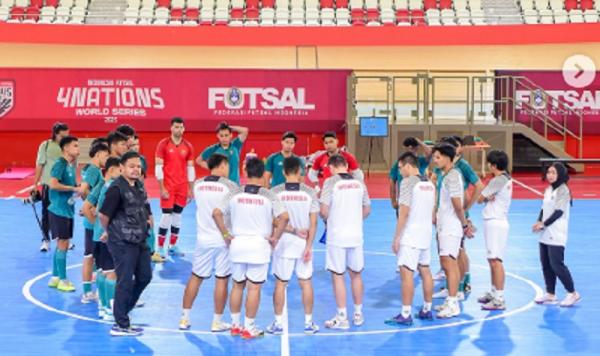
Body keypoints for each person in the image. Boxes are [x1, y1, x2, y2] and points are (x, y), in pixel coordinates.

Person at [212, 158, 289, 339]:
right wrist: (275, 238)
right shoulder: (269, 195)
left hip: (237, 245)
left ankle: (235, 325)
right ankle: (249, 327)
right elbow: (284, 217)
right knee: (254, 288)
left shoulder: (234, 193)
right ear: (263, 174)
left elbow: (216, 213)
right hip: (259, 247)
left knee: (237, 286)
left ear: (245, 172)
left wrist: (225, 234)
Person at [179, 154, 238, 332]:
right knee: (222, 279)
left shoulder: (198, 184)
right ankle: (217, 322)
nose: (228, 170)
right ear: (222, 165)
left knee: (196, 276)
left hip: (202, 239)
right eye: (227, 166)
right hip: (223, 239)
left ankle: (184, 319)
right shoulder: (230, 186)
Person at [99, 151, 153, 337]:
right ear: (121, 167)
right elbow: (103, 215)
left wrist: (148, 218)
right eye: (132, 166)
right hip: (122, 241)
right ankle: (121, 324)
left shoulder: (139, 185)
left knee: (145, 276)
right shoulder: (116, 189)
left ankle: (121, 311)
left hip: (140, 239)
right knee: (125, 281)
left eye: (138, 166)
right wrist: (110, 232)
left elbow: (145, 205)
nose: (136, 169)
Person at [267, 156, 320, 335]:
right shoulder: (310, 193)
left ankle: (278, 323)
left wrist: (290, 230)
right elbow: (314, 223)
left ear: (283, 172)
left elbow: (273, 220)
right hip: (303, 245)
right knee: (305, 282)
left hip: (283, 244)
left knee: (281, 283)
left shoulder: (274, 192)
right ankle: (308, 323)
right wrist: (308, 246)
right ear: (300, 171)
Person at [320, 154, 371, 329]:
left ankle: (342, 317)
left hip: (337, 236)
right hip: (356, 236)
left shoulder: (330, 182)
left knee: (338, 275)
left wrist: (328, 220)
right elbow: (367, 209)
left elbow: (324, 210)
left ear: (332, 167)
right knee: (356, 274)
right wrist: (355, 220)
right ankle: (358, 314)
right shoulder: (359, 182)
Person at [386, 152, 435, 326]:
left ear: (407, 165)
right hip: (425, 233)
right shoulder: (429, 183)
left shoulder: (407, 183)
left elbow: (404, 212)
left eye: (400, 168)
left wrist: (397, 237)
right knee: (425, 270)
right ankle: (427, 309)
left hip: (411, 235)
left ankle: (406, 314)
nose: (399, 173)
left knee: (406, 274)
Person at [432, 143, 473, 319]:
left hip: (451, 226)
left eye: (438, 157)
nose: (435, 160)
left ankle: (453, 302)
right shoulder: (444, 175)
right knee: (448, 262)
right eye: (434, 157)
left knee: (450, 263)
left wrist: (464, 224)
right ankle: (450, 299)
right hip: (444, 224)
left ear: (448, 158)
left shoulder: (454, 176)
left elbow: (458, 203)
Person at [532, 163, 580, 307]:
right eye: (548, 172)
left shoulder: (563, 190)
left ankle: (572, 293)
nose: (550, 175)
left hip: (557, 232)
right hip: (545, 233)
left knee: (556, 265)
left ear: (560, 174)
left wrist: (544, 224)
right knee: (546, 264)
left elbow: (559, 212)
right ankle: (551, 294)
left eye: (553, 172)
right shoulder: (548, 189)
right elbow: (543, 209)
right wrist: (539, 221)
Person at [82, 157, 121, 321]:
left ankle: (103, 307)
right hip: (107, 237)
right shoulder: (111, 189)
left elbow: (89, 208)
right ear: (111, 170)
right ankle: (111, 310)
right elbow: (105, 213)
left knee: (101, 272)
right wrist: (105, 229)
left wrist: (96, 225)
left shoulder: (101, 187)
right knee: (111, 274)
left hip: (97, 235)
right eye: (120, 170)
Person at [476, 150, 513, 310]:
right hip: (495, 222)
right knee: (492, 260)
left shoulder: (498, 180)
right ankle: (493, 292)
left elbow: (479, 198)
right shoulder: (504, 178)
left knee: (496, 261)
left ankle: (499, 299)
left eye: (489, 164)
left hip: (495, 222)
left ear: (494, 165)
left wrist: (485, 197)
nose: (488, 166)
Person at [155, 117, 196, 257]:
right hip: (168, 186)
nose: (179, 129)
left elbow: (190, 169)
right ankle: (160, 247)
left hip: (182, 187)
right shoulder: (163, 144)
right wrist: (162, 188)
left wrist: (191, 189)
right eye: (176, 127)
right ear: (171, 128)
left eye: (181, 127)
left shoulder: (189, 146)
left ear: (184, 129)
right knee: (166, 216)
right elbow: (158, 167)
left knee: (177, 216)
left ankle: (172, 246)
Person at [47, 136, 82, 292]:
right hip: (59, 210)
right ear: (66, 148)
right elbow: (53, 184)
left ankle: (55, 277)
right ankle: (63, 280)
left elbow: (71, 186)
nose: (78, 149)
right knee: (63, 244)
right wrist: (73, 189)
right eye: (75, 146)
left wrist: (78, 188)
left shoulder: (70, 165)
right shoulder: (60, 164)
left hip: (67, 210)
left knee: (63, 244)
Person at [79, 142, 110, 303]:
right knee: (91, 256)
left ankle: (92, 292)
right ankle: (87, 293)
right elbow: (83, 189)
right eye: (105, 155)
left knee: (93, 256)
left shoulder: (92, 170)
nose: (107, 159)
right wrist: (89, 209)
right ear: (98, 154)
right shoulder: (93, 170)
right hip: (92, 223)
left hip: (91, 220)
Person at [33, 122, 70, 252]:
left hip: (64, 186)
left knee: (65, 213)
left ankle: (65, 239)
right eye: (62, 136)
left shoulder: (68, 146)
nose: (65, 138)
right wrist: (35, 184)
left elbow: (72, 166)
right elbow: (40, 164)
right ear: (55, 134)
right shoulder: (46, 145)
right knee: (47, 214)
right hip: (49, 186)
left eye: (67, 135)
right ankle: (45, 240)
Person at [389, 137, 431, 216]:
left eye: (413, 147)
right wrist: (393, 200)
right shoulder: (399, 163)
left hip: (418, 199)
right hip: (404, 198)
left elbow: (429, 153)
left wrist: (419, 142)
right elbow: (392, 181)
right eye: (408, 147)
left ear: (417, 147)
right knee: (403, 222)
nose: (411, 148)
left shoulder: (421, 161)